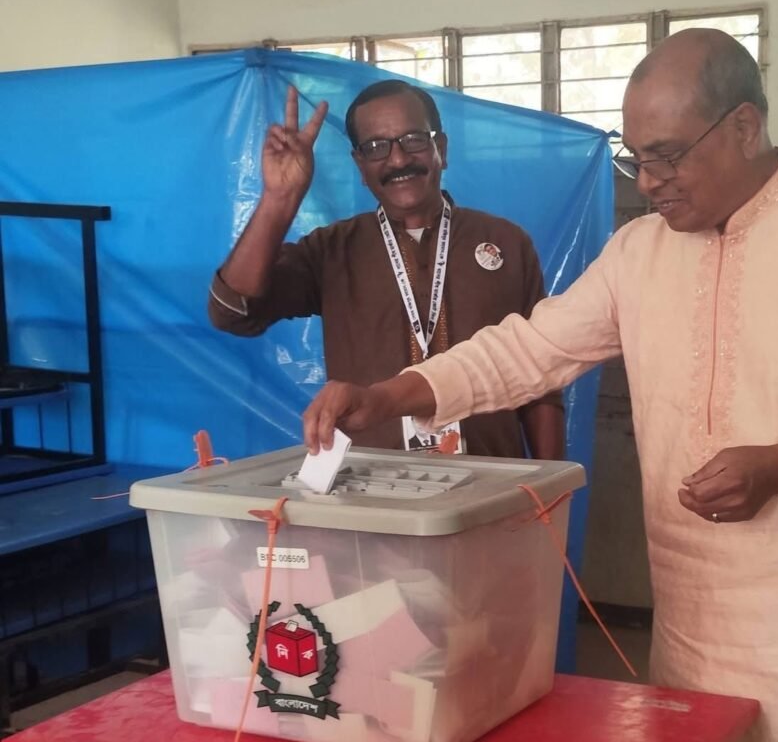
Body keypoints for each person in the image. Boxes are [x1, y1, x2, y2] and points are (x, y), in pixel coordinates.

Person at [301, 30, 778, 742]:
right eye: (636, 159)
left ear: (744, 128)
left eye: (667, 156)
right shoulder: (639, 251)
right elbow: (529, 348)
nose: (649, 182)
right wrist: (390, 396)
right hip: (695, 631)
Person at [208, 80, 564, 459]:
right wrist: (280, 199)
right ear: (360, 166)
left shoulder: (506, 243)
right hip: (372, 490)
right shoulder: (332, 249)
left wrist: (554, 484)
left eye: (413, 139)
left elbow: (540, 377)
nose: (397, 160)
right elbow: (231, 311)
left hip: (495, 483)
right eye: (376, 147)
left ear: (441, 149)